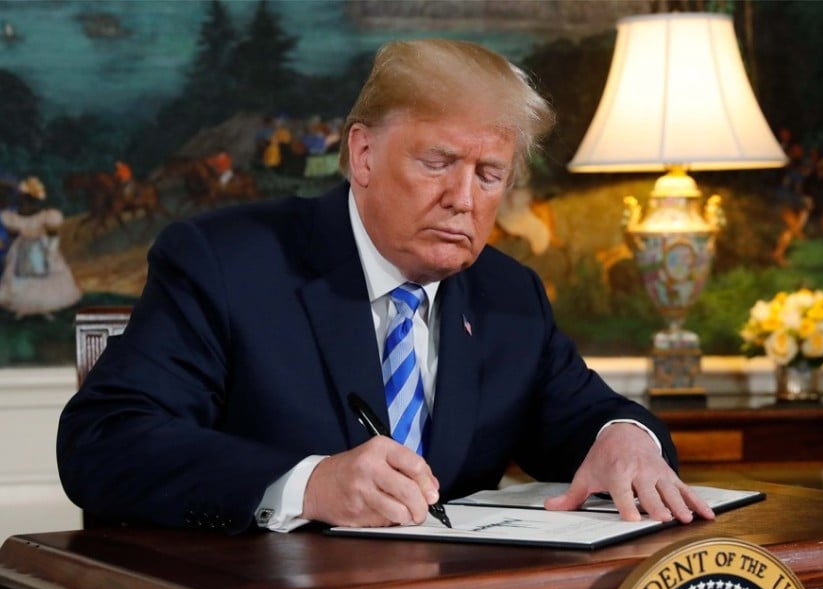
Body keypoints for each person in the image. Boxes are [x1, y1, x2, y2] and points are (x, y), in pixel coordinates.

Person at [57, 39, 714, 534]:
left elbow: (587, 420)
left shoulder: (507, 295)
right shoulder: (226, 263)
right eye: (438, 162)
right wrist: (309, 484)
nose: (463, 198)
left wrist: (627, 438)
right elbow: (105, 441)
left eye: (489, 174)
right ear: (363, 154)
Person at [0, 177, 82, 317]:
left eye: (26, 199)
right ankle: (23, 307)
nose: (22, 202)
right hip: (22, 249)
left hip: (42, 248)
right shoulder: (12, 217)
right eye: (21, 199)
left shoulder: (47, 216)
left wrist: (51, 250)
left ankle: (43, 308)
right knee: (20, 277)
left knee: (45, 277)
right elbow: (12, 235)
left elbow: (53, 235)